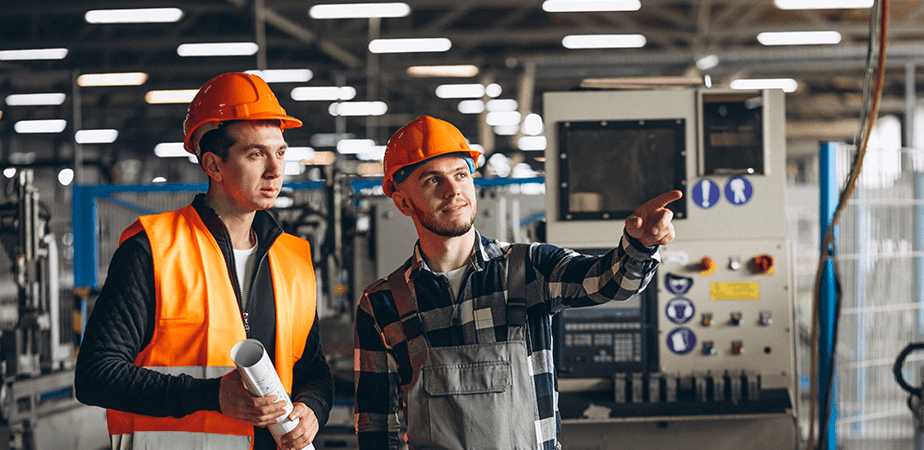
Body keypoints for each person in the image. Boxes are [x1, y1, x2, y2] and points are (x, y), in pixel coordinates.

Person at [354, 115, 682, 449]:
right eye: (432, 181)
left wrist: (639, 245)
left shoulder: (529, 270)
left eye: (461, 175)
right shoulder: (381, 303)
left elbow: (609, 282)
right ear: (403, 201)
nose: (454, 191)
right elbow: (376, 426)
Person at [76, 72, 334, 450]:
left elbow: (313, 370)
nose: (276, 170)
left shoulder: (293, 258)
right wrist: (210, 396)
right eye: (256, 154)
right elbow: (96, 376)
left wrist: (313, 407)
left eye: (279, 152)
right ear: (213, 166)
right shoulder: (153, 249)